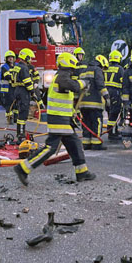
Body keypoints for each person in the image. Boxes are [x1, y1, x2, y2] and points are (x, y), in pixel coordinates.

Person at [14, 53, 95, 185]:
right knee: (50, 148)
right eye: (73, 68)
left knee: (75, 144)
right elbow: (74, 86)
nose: (74, 71)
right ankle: (23, 168)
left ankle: (82, 172)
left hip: (64, 120)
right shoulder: (62, 77)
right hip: (58, 120)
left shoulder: (62, 76)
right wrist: (84, 83)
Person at [79, 54, 109, 150]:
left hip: (83, 103)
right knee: (96, 122)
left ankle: (86, 143)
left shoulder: (83, 70)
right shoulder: (97, 70)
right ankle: (96, 143)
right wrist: (107, 97)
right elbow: (100, 85)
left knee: (87, 123)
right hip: (95, 103)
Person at [11, 48, 36, 141]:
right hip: (23, 91)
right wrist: (33, 92)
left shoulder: (16, 66)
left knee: (20, 112)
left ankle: (19, 132)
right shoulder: (24, 68)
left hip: (17, 90)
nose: (31, 60)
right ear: (26, 57)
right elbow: (28, 82)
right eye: (30, 58)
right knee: (23, 113)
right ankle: (21, 134)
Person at [104, 50, 124, 141]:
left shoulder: (106, 68)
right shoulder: (120, 69)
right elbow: (123, 81)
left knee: (109, 113)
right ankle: (111, 133)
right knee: (114, 113)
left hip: (105, 93)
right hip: (114, 93)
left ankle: (114, 130)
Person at [0, 50, 16, 124]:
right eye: (9, 57)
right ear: (6, 59)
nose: (10, 59)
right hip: (6, 89)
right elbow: (7, 76)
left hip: (14, 88)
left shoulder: (16, 65)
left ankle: (16, 117)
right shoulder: (4, 67)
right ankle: (9, 118)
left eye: (12, 57)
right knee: (8, 105)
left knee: (16, 103)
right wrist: (16, 76)